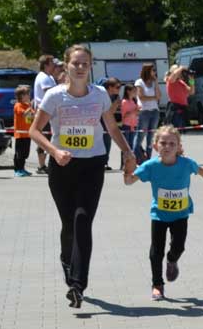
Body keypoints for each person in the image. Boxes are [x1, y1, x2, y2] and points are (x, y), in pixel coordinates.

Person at [29, 45, 136, 309]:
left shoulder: (99, 94)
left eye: (85, 64)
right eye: (75, 63)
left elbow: (112, 128)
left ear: (90, 67)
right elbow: (34, 131)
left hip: (92, 165)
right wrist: (54, 151)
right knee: (69, 224)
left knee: (82, 221)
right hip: (63, 167)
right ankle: (67, 261)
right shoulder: (54, 96)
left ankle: (77, 285)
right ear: (66, 65)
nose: (80, 68)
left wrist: (128, 153)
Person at [124, 125, 203, 300]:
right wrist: (128, 169)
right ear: (155, 146)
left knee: (178, 247)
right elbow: (129, 181)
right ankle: (157, 285)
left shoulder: (187, 164)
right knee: (156, 251)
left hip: (180, 214)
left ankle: (172, 260)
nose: (167, 147)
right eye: (163, 143)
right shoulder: (150, 166)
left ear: (179, 146)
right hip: (159, 215)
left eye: (172, 144)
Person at [32, 55, 58, 174]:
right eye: (52, 63)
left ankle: (44, 164)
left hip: (50, 112)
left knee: (49, 137)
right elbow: (50, 94)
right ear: (46, 65)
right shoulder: (43, 77)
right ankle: (42, 166)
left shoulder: (49, 77)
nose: (54, 65)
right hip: (45, 113)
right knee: (45, 138)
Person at [133, 63, 161, 159]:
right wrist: (154, 97)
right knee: (140, 135)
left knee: (151, 137)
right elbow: (142, 97)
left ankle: (148, 158)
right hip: (144, 111)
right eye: (153, 70)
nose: (155, 72)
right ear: (147, 70)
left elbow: (159, 96)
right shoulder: (139, 82)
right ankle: (135, 158)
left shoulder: (153, 82)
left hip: (155, 111)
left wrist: (156, 82)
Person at [12, 85, 35, 177]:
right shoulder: (18, 105)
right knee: (19, 153)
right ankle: (17, 169)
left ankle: (22, 168)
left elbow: (32, 116)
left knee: (25, 153)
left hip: (27, 134)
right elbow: (24, 114)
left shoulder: (27, 105)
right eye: (27, 94)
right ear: (21, 96)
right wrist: (30, 106)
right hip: (20, 134)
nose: (29, 96)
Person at [100, 77, 123, 170]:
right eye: (117, 87)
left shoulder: (114, 97)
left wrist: (117, 103)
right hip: (98, 121)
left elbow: (111, 112)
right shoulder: (101, 95)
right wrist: (115, 104)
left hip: (107, 122)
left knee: (107, 142)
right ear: (110, 87)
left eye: (120, 87)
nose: (119, 89)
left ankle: (105, 163)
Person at [120, 85, 140, 151]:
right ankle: (125, 158)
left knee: (131, 145)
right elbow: (125, 116)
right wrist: (135, 111)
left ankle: (130, 157)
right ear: (128, 91)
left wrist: (138, 111)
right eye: (134, 91)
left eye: (136, 91)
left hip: (134, 125)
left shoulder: (134, 101)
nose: (136, 92)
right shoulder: (124, 102)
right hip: (127, 125)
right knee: (126, 146)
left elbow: (136, 113)